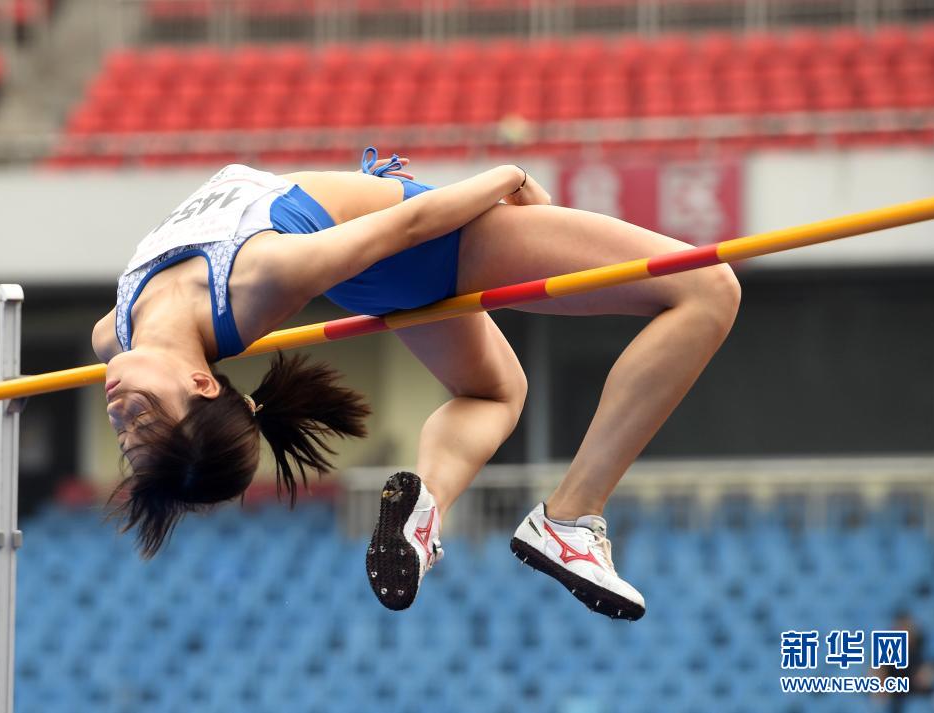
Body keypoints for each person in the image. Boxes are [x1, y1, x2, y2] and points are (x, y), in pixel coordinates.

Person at [92, 148, 741, 621]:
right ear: (203, 383)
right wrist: (508, 176)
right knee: (705, 290)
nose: (119, 413)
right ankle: (571, 516)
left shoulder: (112, 335)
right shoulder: (260, 275)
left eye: (127, 433)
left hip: (379, 259)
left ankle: (424, 511)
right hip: (424, 237)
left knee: (493, 394)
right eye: (145, 418)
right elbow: (407, 227)